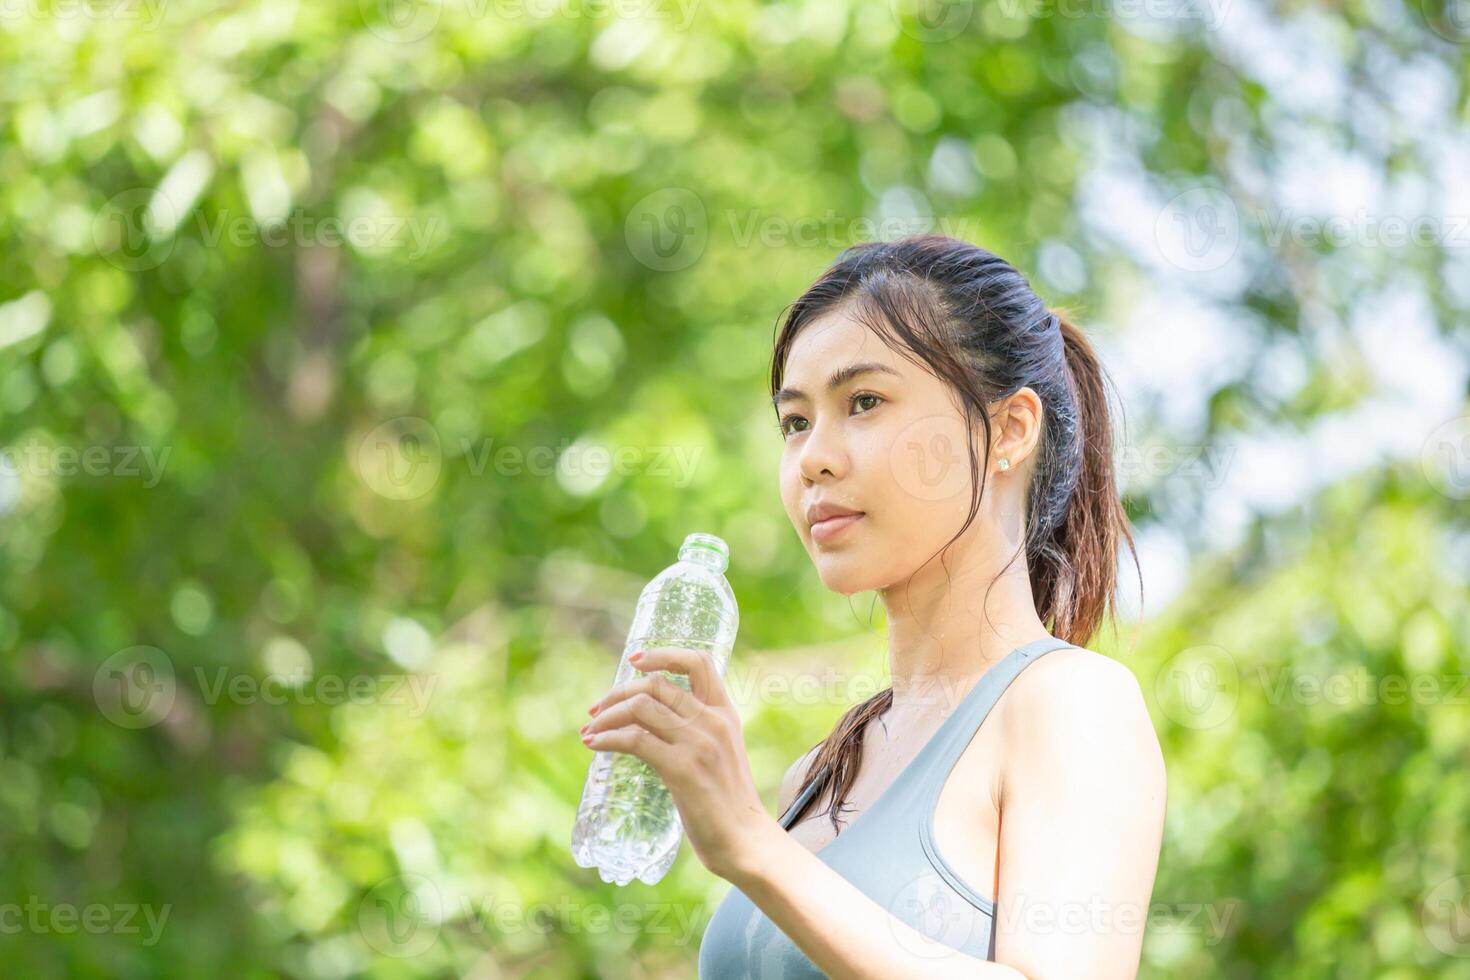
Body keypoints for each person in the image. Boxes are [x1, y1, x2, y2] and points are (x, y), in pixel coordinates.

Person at [581, 234, 1166, 978]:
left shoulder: (1071, 704)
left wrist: (752, 844)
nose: (813, 458)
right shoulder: (816, 777)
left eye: (864, 402)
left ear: (1010, 430)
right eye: (795, 422)